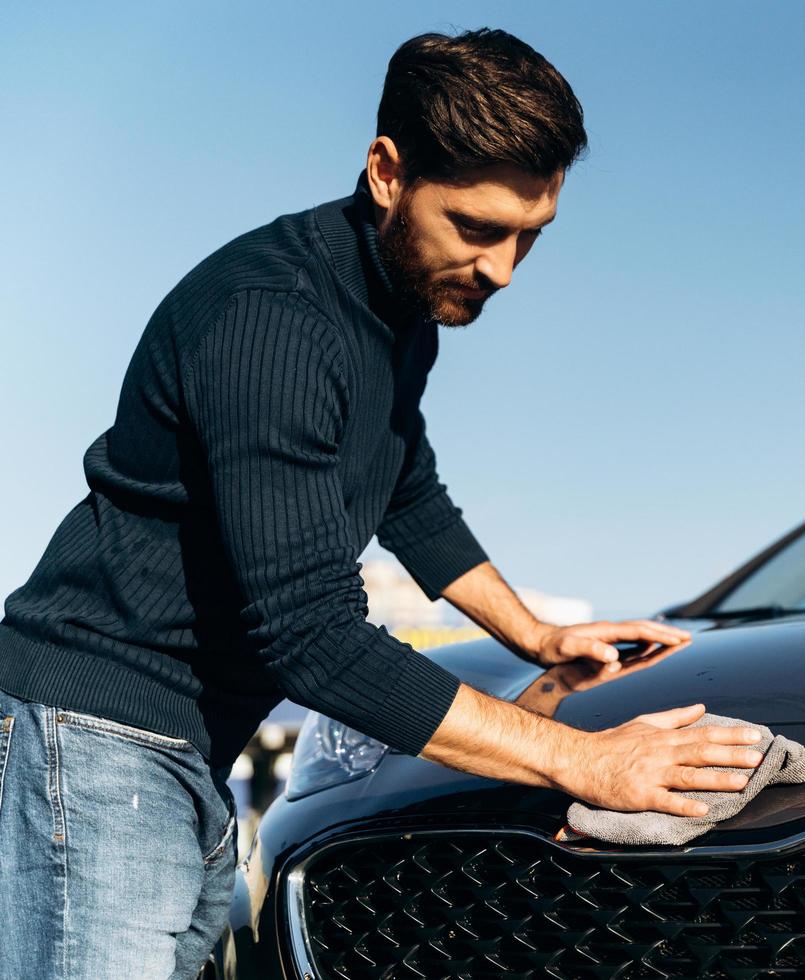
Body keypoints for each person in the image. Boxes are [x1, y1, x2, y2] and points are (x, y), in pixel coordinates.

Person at [0, 28, 763, 979]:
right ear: (387, 172)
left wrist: (534, 637)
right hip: (96, 735)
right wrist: (586, 761)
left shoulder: (404, 314)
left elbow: (406, 487)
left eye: (531, 235)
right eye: (479, 228)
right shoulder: (273, 320)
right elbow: (311, 634)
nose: (504, 270)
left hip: (186, 747)